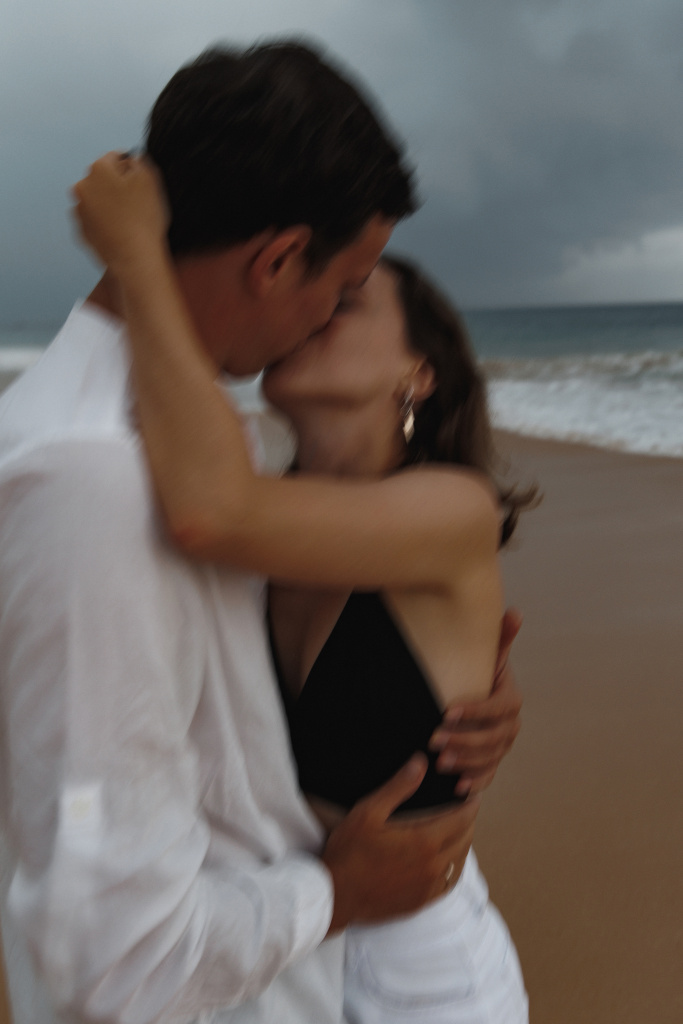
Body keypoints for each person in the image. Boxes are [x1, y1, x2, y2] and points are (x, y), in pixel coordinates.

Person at [0, 42, 521, 1024]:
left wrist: (458, 711)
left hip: (390, 967)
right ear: (278, 258)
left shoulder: (200, 451)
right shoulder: (101, 474)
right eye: (341, 286)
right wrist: (334, 893)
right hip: (295, 952)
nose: (322, 320)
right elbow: (115, 955)